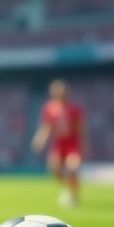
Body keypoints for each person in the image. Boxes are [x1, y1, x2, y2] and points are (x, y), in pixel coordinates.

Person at [32, 80, 85, 208]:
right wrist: (39, 139)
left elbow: (81, 129)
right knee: (54, 171)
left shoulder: (74, 109)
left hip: (72, 144)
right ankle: (69, 188)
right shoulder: (49, 108)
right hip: (59, 145)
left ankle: (74, 195)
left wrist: (84, 145)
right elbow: (46, 127)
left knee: (72, 168)